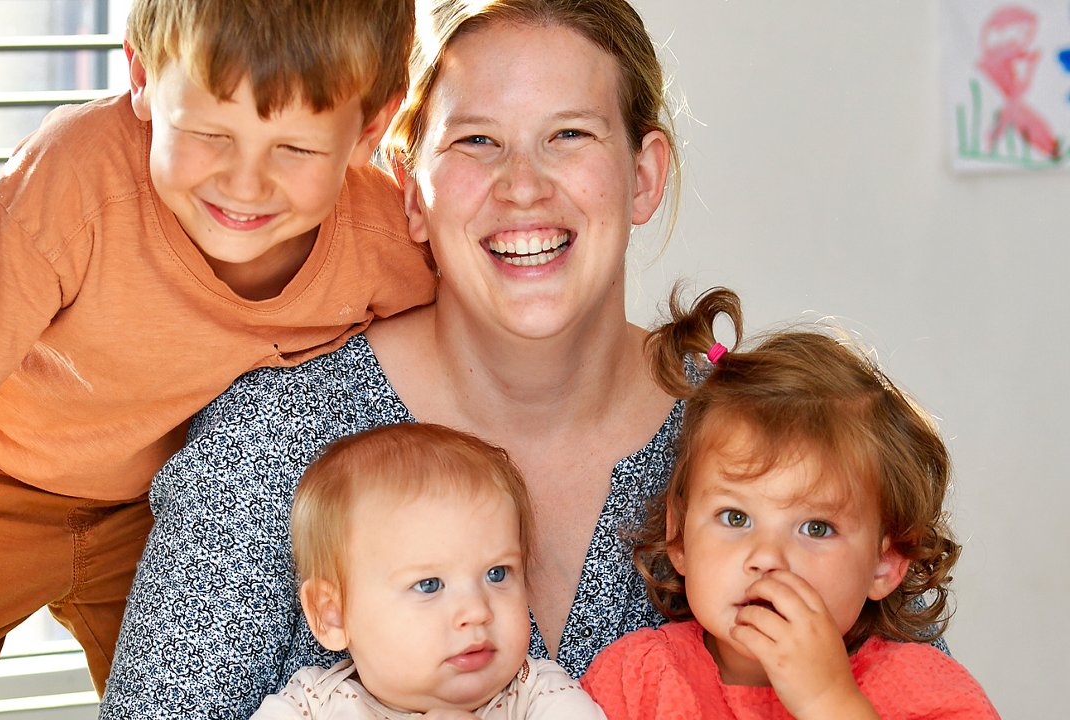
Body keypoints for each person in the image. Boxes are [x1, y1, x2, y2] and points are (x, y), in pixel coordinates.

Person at [0, 1, 435, 718]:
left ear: (370, 128)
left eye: (294, 150)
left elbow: (452, 362)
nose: (244, 184)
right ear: (141, 75)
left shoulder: (382, 237)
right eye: (209, 133)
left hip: (146, 504)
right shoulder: (78, 177)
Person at [101, 1, 695, 717]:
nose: (523, 186)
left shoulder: (749, 436)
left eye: (568, 134)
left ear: (644, 174)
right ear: (411, 193)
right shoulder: (275, 437)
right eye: (477, 140)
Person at [580, 290, 1000, 719]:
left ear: (885, 562)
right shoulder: (637, 679)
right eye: (736, 517)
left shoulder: (925, 689)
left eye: (816, 528)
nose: (766, 557)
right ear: (680, 538)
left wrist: (828, 702)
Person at [251, 423, 606, 719]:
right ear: (334, 614)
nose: (477, 611)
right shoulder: (310, 704)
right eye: (429, 584)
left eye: (497, 573)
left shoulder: (540, 695)